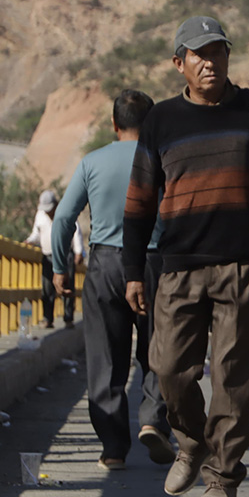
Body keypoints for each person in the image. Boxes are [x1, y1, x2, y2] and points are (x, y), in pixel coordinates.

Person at [122, 16, 249, 497]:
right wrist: (130, 272)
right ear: (179, 63)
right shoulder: (161, 121)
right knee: (168, 368)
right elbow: (140, 202)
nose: (211, 62)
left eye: (219, 52)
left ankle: (222, 479)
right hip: (178, 267)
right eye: (199, 55)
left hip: (244, 266)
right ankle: (190, 441)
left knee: (233, 376)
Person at [52, 89, 173, 470]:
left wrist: (60, 267)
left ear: (113, 124)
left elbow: (62, 220)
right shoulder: (163, 159)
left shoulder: (92, 161)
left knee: (106, 358)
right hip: (155, 263)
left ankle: (113, 448)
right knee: (158, 349)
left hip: (104, 263)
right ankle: (153, 419)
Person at [25, 190, 81, 328]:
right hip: (47, 254)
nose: (48, 213)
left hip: (65, 254)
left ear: (56, 205)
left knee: (67, 285)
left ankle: (68, 318)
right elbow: (36, 234)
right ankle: (47, 318)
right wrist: (30, 241)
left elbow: (76, 231)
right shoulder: (40, 216)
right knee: (47, 287)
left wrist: (79, 251)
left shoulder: (65, 212)